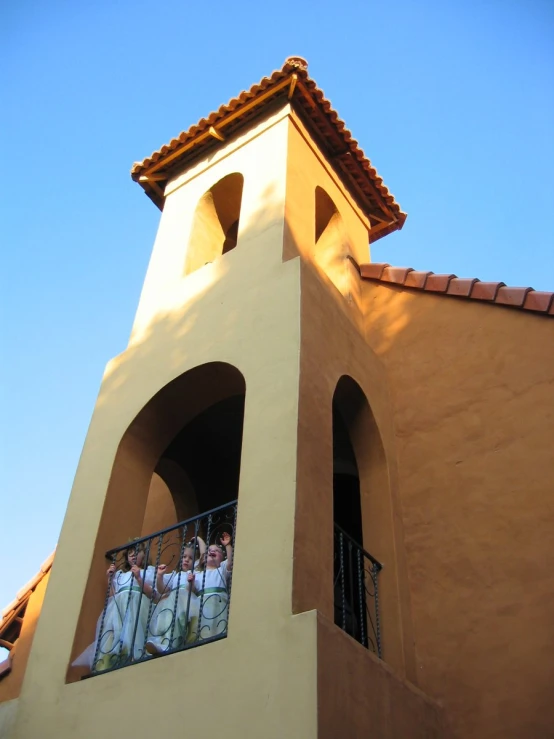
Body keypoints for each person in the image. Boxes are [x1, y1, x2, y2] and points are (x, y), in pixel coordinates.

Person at [73, 541, 155, 672]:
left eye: (137, 552)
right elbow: (113, 595)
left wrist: (139, 578)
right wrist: (110, 579)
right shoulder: (120, 575)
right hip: (118, 607)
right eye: (130, 553)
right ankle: (111, 661)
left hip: (136, 604)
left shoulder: (148, 572)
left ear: (144, 555)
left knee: (133, 630)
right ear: (127, 557)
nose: (133, 556)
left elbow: (152, 593)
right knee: (113, 632)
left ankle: (133, 657)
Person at [145, 538, 205, 655]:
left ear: (196, 561)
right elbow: (163, 590)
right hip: (172, 602)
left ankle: (169, 644)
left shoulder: (195, 573)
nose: (186, 560)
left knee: (177, 618)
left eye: (190, 558)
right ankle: (161, 642)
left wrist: (198, 539)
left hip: (187, 602)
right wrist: (159, 577)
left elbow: (204, 556)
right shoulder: (175, 575)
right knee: (167, 619)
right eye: (184, 557)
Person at [194, 532, 233, 641]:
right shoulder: (198, 573)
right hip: (201, 603)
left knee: (218, 627)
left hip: (218, 601)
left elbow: (230, 561)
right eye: (209, 551)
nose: (212, 551)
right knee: (202, 629)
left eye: (216, 551)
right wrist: (199, 540)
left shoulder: (221, 569)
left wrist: (227, 545)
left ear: (222, 558)